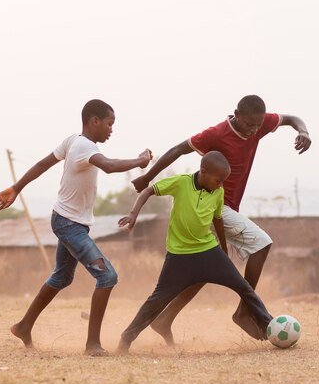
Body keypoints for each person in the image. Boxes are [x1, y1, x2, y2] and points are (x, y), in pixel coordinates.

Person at [132, 95, 311, 344]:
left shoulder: (258, 124)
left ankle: (165, 319)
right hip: (215, 205)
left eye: (258, 126)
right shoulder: (216, 134)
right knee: (262, 243)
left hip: (224, 208)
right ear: (236, 113)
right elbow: (177, 149)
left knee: (205, 270)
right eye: (249, 124)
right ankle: (244, 312)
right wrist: (147, 176)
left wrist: (303, 131)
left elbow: (290, 118)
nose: (253, 131)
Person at [0, 99, 153, 356]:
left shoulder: (72, 141)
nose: (111, 130)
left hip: (70, 221)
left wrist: (16, 187)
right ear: (94, 121)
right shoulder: (83, 146)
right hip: (68, 224)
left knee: (62, 276)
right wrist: (139, 160)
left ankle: (23, 326)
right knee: (107, 276)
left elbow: (42, 164)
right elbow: (110, 166)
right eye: (110, 124)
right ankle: (92, 345)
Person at [116, 151, 273, 354]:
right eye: (218, 180)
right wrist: (133, 214)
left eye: (223, 181)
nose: (220, 184)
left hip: (208, 250)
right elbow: (148, 191)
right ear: (203, 172)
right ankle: (125, 339)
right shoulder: (181, 183)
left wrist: (223, 250)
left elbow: (217, 219)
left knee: (244, 288)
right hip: (179, 255)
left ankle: (270, 326)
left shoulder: (217, 191)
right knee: (157, 300)